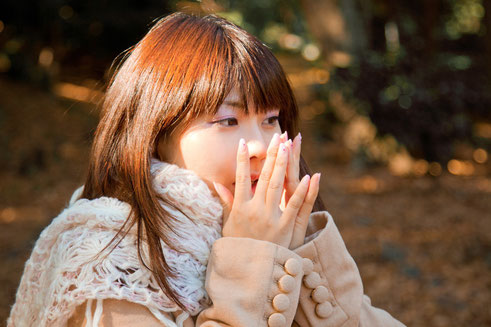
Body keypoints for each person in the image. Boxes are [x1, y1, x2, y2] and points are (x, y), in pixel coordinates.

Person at [8, 12, 405, 327]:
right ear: (156, 129)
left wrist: (299, 247)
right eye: (228, 121)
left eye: (270, 119)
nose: (264, 148)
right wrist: (254, 257)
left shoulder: (263, 224)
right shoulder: (106, 255)